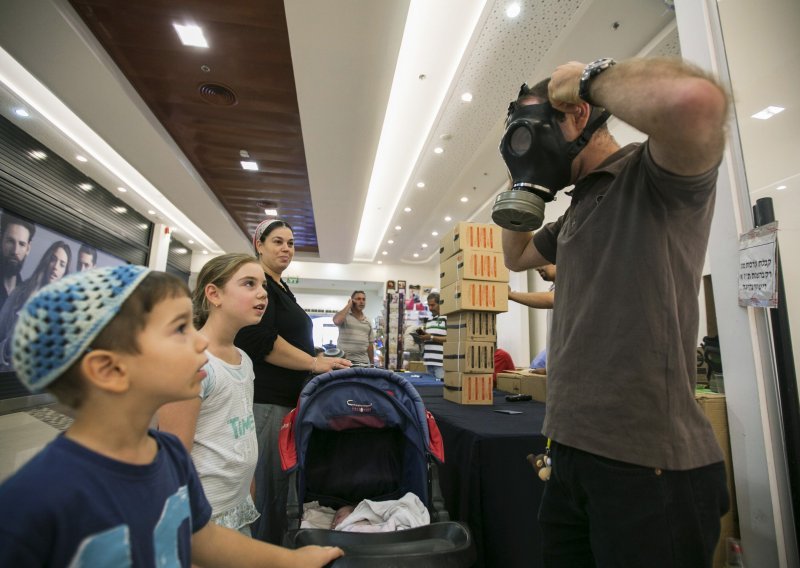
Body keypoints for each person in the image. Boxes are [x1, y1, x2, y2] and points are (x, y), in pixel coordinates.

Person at [500, 57, 730, 567]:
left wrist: (586, 78)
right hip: (571, 453)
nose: (526, 145)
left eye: (533, 133)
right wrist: (523, 182)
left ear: (578, 114)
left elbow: (697, 103)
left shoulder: (651, 176)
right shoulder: (580, 205)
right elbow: (516, 257)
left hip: (647, 467)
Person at [0, 265, 343, 567]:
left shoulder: (170, 456)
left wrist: (291, 561)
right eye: (180, 329)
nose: (198, 343)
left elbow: (202, 539)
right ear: (109, 368)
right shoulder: (31, 504)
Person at [234, 219, 351, 544]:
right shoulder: (261, 287)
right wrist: (313, 362)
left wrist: (317, 356)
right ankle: (261, 555)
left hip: (285, 400)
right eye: (278, 242)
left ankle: (270, 549)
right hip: (268, 401)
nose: (286, 248)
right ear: (259, 245)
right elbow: (260, 339)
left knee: (279, 487)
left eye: (290, 243)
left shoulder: (279, 287)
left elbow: (285, 337)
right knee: (268, 488)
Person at [158, 253, 267, 536]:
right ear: (214, 294)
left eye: (263, 285)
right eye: (249, 284)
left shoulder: (244, 359)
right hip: (204, 516)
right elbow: (174, 455)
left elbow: (241, 427)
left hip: (238, 505)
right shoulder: (191, 360)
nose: (262, 293)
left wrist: (248, 488)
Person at [0, 240, 72, 371]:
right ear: (46, 260)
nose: (56, 266)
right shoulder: (20, 292)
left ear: (64, 272)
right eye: (53, 259)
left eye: (62, 264)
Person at [508, 264, 556, 369]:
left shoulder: (573, 284)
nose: (537, 268)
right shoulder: (554, 288)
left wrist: (510, 295)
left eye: (542, 262)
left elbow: (552, 299)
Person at [0, 212, 35, 312]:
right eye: (10, 241)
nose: (15, 251)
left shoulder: (27, 298)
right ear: (1, 240)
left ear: (28, 249)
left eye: (22, 244)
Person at [333, 290, 374, 367]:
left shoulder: (368, 321)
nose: (361, 301)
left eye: (363, 299)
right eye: (358, 299)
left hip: (363, 363)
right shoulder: (344, 316)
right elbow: (336, 321)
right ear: (352, 300)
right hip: (344, 361)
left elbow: (370, 344)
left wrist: (372, 363)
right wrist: (349, 305)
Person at [416, 292, 446, 380]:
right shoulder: (429, 321)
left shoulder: (447, 318)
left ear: (440, 303)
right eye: (429, 305)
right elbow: (428, 339)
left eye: (433, 305)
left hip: (440, 363)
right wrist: (421, 338)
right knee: (431, 389)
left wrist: (431, 337)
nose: (430, 308)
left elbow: (451, 340)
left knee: (440, 389)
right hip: (428, 362)